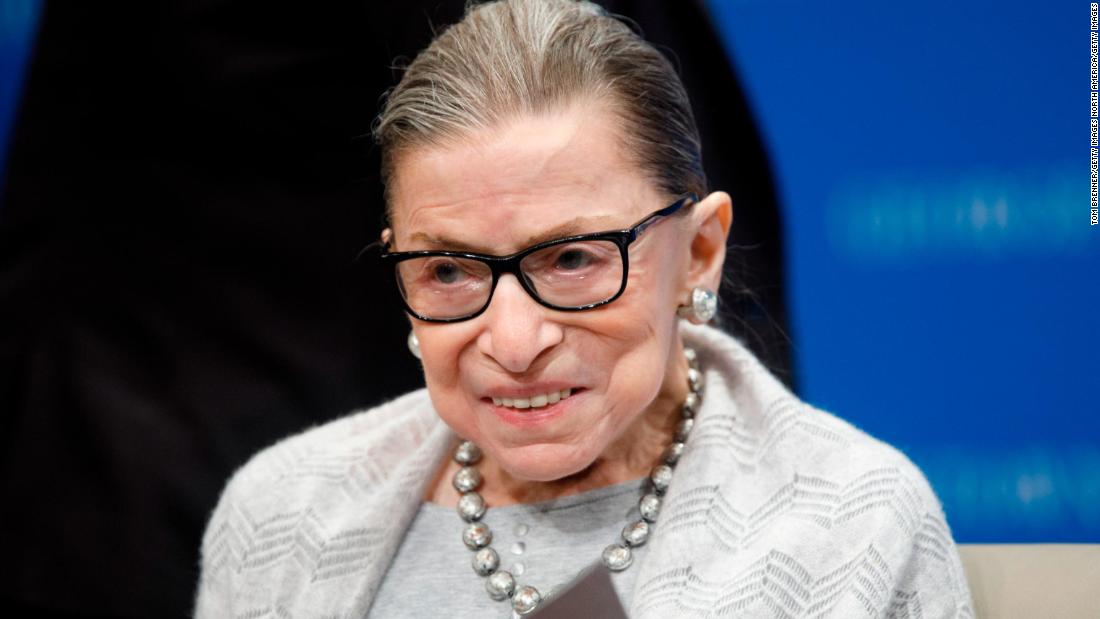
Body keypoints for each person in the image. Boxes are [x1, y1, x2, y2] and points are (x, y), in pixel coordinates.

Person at [194, 1, 974, 617]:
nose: (514, 341)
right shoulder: (277, 512)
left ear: (698, 252)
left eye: (571, 259)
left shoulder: (855, 521)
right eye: (449, 270)